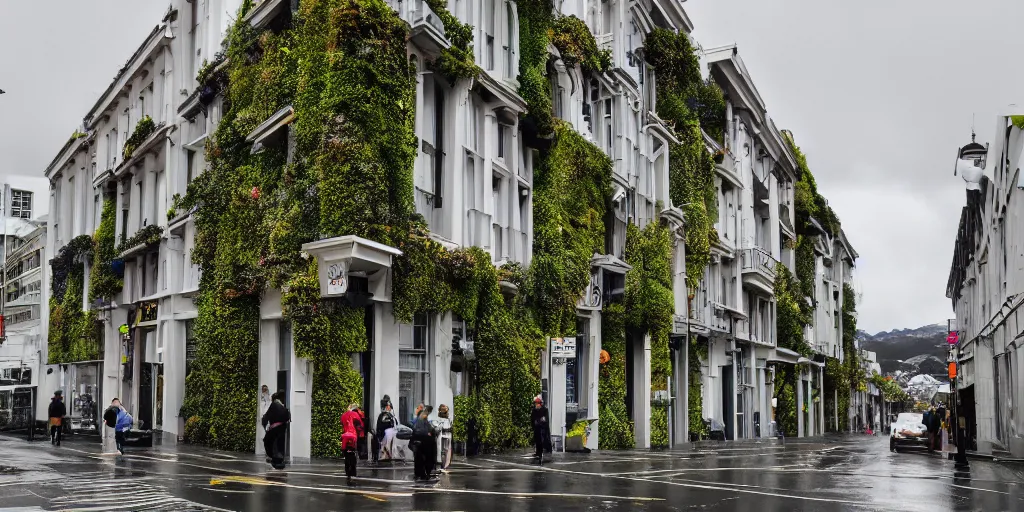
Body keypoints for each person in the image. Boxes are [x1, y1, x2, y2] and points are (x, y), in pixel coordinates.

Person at [262, 392, 291, 469]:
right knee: (279, 444)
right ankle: (279, 459)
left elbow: (266, 417)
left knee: (269, 442)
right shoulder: (283, 407)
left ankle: (275, 459)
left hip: (274, 428)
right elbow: (287, 417)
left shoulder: (274, 405)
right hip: (282, 427)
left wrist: (265, 425)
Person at [340, 404, 364, 479]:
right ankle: (353, 472)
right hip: (353, 436)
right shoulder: (355, 414)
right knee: (353, 453)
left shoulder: (343, 415)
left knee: (346, 455)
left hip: (345, 436)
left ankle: (347, 472)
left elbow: (342, 424)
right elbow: (360, 425)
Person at [412, 407, 436, 480]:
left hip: (419, 440)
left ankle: (419, 473)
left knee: (419, 458)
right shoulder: (423, 419)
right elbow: (425, 430)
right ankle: (424, 473)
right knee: (426, 457)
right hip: (424, 440)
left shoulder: (421, 419)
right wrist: (428, 433)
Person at [374, 396, 397, 463]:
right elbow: (386, 424)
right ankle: (386, 454)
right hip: (385, 433)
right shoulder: (385, 415)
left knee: (386, 444)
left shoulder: (385, 415)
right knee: (386, 444)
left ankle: (386, 454)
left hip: (384, 433)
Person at [531, 396, 551, 463]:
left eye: (537, 403)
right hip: (537, 428)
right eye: (536, 404)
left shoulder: (544, 410)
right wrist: (535, 423)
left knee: (542, 441)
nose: (536, 405)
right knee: (537, 441)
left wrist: (541, 421)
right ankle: (538, 453)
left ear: (540, 404)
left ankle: (541, 453)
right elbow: (532, 419)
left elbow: (545, 419)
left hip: (543, 429)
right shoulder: (534, 410)